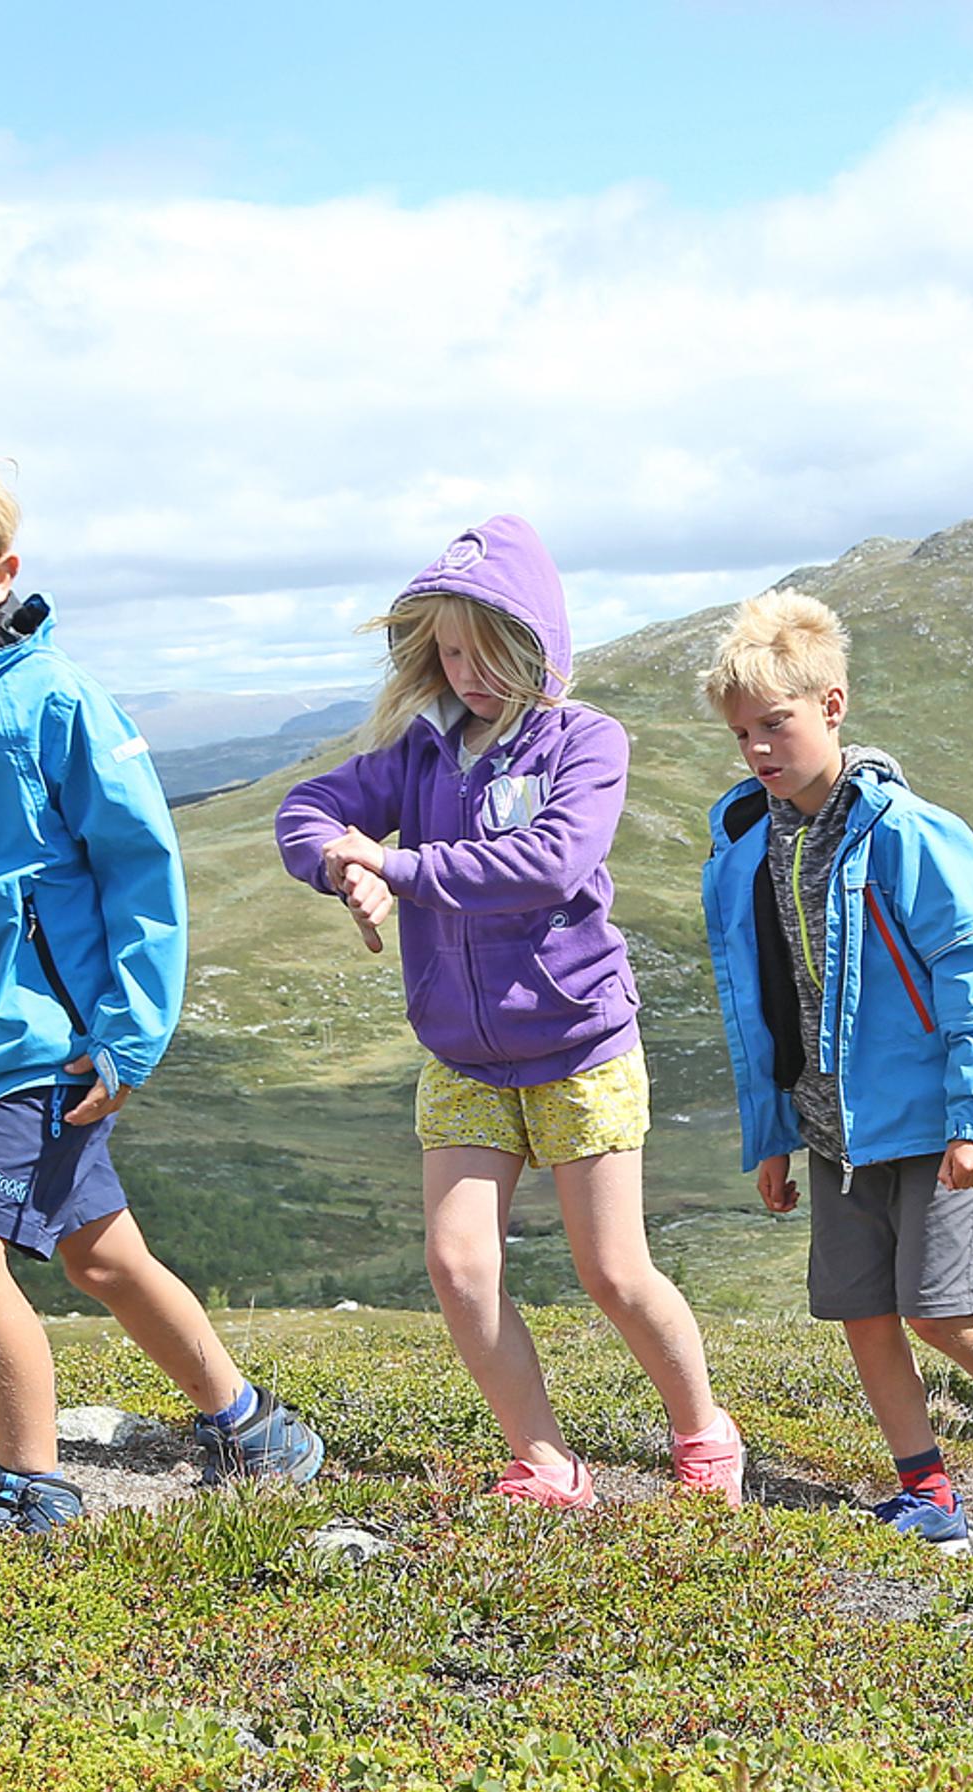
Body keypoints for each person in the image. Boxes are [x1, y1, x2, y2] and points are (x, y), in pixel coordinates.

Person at [0, 433, 326, 1563]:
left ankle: (35, 1488)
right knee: (101, 1256)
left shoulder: (53, 699)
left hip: (56, 1040)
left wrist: (129, 1035)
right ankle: (253, 1430)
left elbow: (142, 867)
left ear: (1, 571)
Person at [277, 517, 745, 1508]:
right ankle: (544, 1459)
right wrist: (333, 861)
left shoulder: (586, 740)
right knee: (458, 1265)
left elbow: (552, 860)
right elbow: (307, 806)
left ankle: (703, 1429)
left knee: (614, 1274)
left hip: (580, 1045)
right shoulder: (419, 750)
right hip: (462, 1054)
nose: (466, 672)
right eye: (448, 651)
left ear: (540, 644)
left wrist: (394, 866)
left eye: (487, 652)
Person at [697, 591, 973, 1546]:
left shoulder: (907, 830)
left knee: (942, 1309)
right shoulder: (752, 844)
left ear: (832, 705)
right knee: (865, 1314)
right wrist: (778, 1132)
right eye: (743, 733)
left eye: (776, 723)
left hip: (931, 1118)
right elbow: (770, 1004)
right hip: (832, 1129)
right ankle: (927, 1489)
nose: (759, 750)